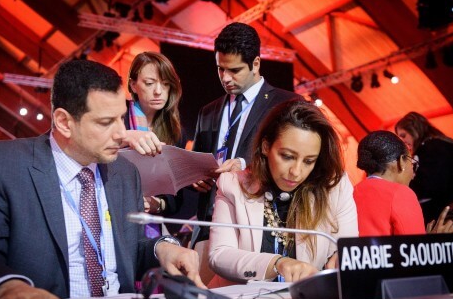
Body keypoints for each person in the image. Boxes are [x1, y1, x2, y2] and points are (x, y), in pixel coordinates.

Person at [0, 60, 203, 299]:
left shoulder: (124, 173)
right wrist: (11, 288)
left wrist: (164, 248)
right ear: (64, 121)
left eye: (121, 118)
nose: (121, 134)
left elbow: (132, 249)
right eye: (105, 122)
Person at [208, 99, 358, 285]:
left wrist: (340, 257)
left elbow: (347, 247)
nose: (296, 171)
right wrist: (277, 263)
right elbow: (220, 255)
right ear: (265, 146)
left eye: (309, 161)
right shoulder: (232, 184)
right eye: (287, 156)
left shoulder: (335, 186)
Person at [191, 22, 300, 247]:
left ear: (256, 63)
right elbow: (198, 160)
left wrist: (244, 165)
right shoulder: (208, 111)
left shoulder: (287, 104)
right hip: (208, 228)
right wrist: (196, 177)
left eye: (234, 70)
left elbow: (296, 163)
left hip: (260, 229)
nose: (226, 78)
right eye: (221, 69)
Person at [125, 51, 187, 236]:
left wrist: (157, 204)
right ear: (133, 85)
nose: (159, 91)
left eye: (166, 84)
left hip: (150, 224)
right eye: (150, 83)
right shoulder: (118, 120)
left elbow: (176, 196)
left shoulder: (175, 132)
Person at [354, 130, 453, 236]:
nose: (413, 174)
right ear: (401, 161)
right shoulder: (401, 193)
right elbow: (413, 248)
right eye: (412, 162)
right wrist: (434, 244)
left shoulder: (353, 192)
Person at [395, 112, 453, 223]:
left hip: (446, 216)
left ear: (414, 130)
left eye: (403, 135)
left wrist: (405, 191)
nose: (402, 141)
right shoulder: (445, 144)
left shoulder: (430, 148)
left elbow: (429, 185)